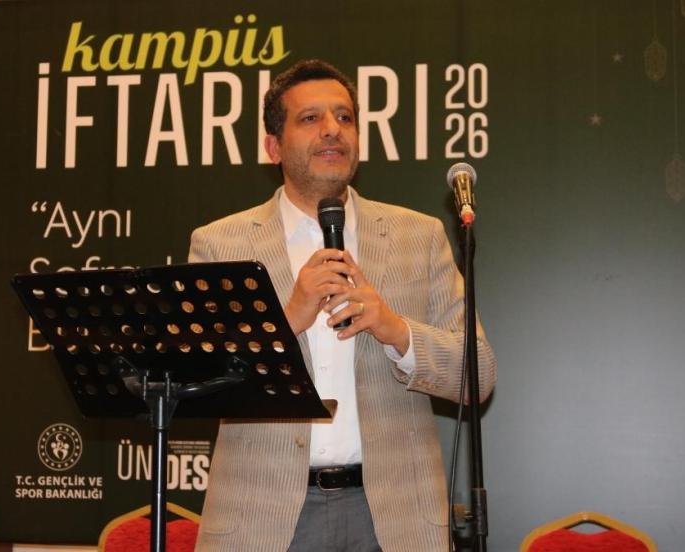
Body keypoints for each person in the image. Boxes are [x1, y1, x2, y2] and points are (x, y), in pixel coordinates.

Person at [188, 59, 497, 552]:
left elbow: (477, 375)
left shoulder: (419, 237)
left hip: (393, 518)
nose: (333, 129)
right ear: (273, 147)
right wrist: (286, 319)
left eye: (345, 117)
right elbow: (198, 382)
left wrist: (395, 329)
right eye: (310, 118)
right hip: (263, 518)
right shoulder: (220, 244)